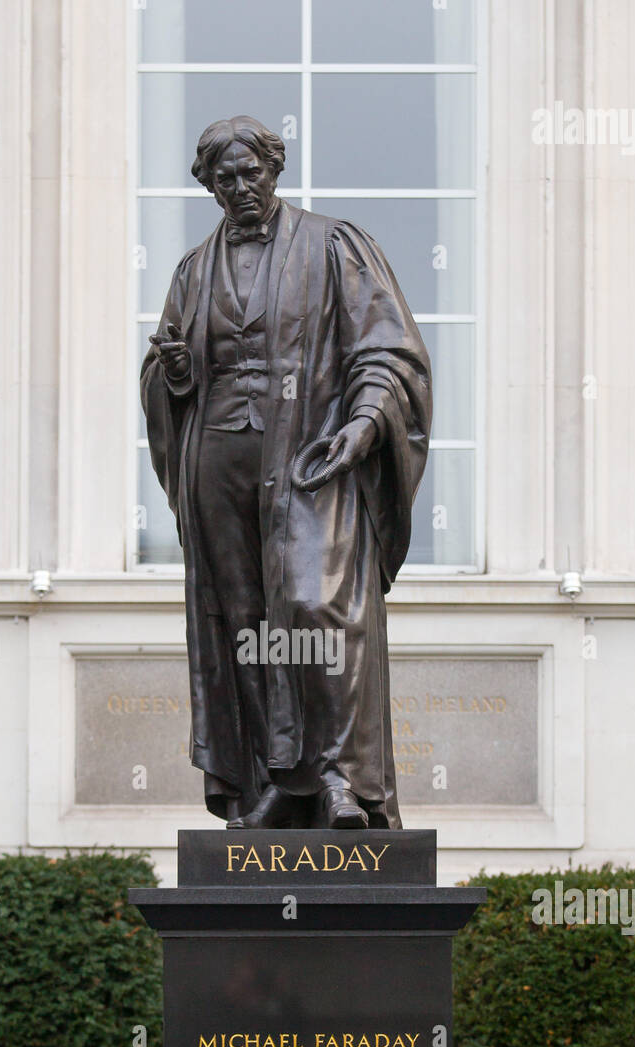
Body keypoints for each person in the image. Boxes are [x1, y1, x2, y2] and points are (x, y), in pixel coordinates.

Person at [141, 116, 431, 829]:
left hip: (309, 459)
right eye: (224, 179)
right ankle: (269, 781)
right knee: (243, 620)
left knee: (313, 605)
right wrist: (175, 374)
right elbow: (167, 364)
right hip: (218, 462)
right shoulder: (193, 270)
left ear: (275, 169)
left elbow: (386, 351)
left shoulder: (335, 246)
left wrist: (363, 427)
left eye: (252, 173)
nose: (241, 188)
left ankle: (339, 778)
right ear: (208, 186)